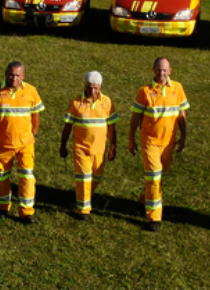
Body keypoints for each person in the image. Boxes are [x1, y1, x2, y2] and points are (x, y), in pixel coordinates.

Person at [127, 57, 189, 232]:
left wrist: (183, 136)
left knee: (160, 177)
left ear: (170, 71)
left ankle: (144, 198)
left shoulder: (178, 89)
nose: (161, 73)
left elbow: (182, 115)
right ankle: (154, 218)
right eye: (158, 70)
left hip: (168, 142)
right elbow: (135, 117)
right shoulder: (144, 92)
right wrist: (131, 138)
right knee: (154, 176)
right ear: (153, 70)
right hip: (150, 142)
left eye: (164, 70)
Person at [0, 61, 44, 224]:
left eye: (17, 75)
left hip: (25, 144)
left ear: (23, 76)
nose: (13, 78)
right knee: (2, 177)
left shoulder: (31, 91)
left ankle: (26, 212)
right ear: (5, 73)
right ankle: (2, 207)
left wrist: (34, 134)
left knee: (27, 178)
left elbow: (36, 114)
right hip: (3, 144)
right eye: (11, 74)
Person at [59, 71, 119, 220]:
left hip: (99, 149)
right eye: (90, 87)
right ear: (85, 85)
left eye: (96, 88)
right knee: (84, 178)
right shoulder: (75, 103)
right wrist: (63, 145)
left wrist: (113, 146)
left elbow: (112, 127)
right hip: (81, 148)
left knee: (96, 178)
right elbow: (67, 126)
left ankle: (82, 194)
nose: (93, 91)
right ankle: (83, 210)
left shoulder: (107, 103)